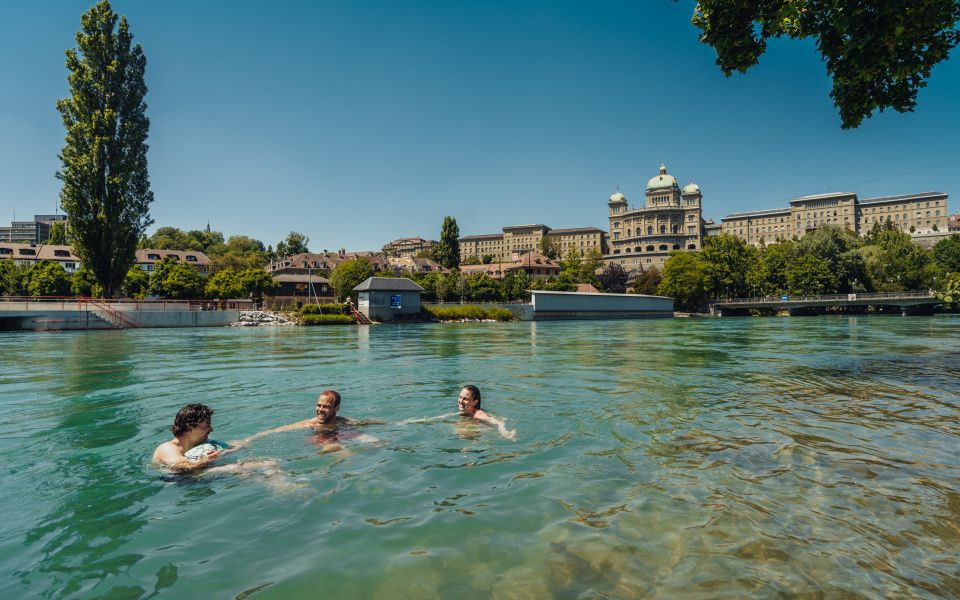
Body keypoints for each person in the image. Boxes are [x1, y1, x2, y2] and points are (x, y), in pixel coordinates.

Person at [152, 403, 234, 471]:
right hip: (177, 482)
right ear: (189, 427)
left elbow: (231, 447)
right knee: (234, 468)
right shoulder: (167, 448)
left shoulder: (203, 443)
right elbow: (181, 465)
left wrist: (244, 442)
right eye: (207, 425)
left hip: (200, 478)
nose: (211, 429)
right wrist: (206, 460)